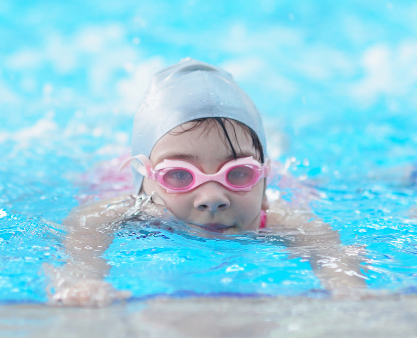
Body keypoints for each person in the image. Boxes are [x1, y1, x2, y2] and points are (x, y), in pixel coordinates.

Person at [49, 58, 366, 306]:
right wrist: (80, 282)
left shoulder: (281, 218)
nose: (212, 197)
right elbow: (82, 235)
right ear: (146, 184)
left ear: (264, 185)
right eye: (180, 175)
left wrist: (344, 284)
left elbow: (329, 251)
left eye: (238, 173)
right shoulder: (130, 210)